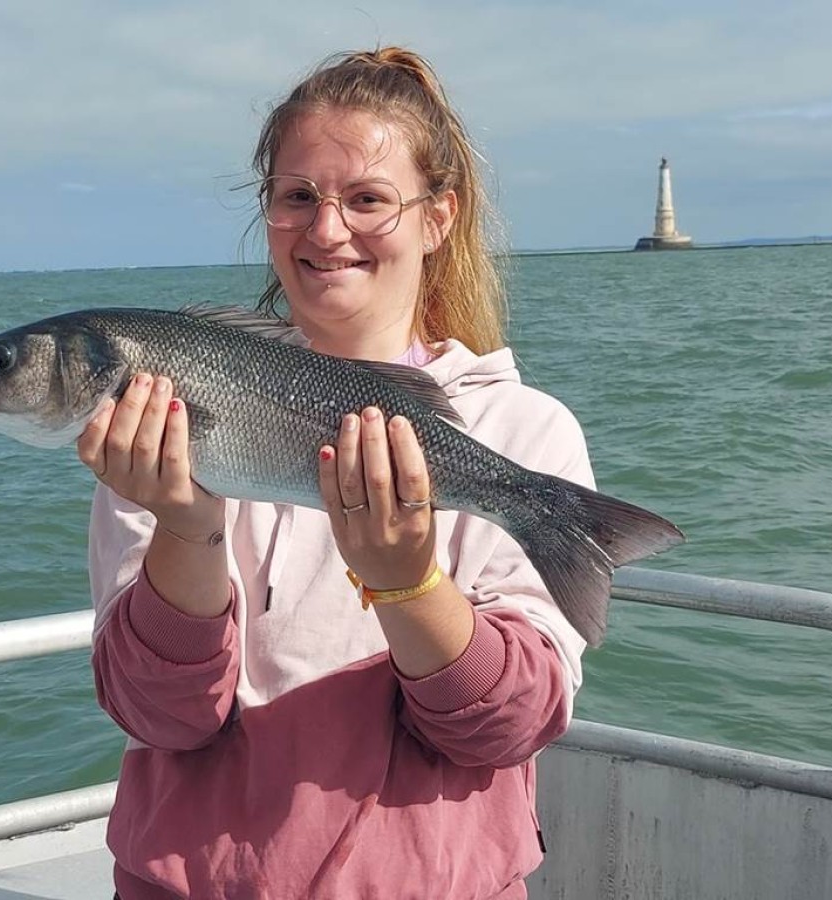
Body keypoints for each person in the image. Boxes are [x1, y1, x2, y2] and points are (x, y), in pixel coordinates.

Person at [79, 46, 591, 899]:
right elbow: (157, 714)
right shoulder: (155, 430)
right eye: (298, 197)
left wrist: (406, 582)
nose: (326, 230)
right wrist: (187, 527)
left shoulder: (521, 430)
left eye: (367, 200)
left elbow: (508, 726)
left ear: (439, 217)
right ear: (267, 209)